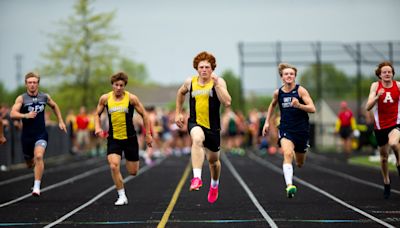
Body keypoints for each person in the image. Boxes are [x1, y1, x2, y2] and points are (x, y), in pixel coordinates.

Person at [175, 51, 231, 204]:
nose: (204, 70)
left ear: (212, 68)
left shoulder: (219, 82)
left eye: (207, 67)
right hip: (195, 122)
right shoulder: (190, 82)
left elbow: (227, 102)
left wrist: (217, 85)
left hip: (213, 127)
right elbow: (180, 93)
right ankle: (197, 178)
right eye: (201, 67)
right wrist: (178, 112)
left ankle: (214, 185)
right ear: (197, 68)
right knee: (197, 140)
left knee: (213, 161)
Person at [94, 71, 152, 206]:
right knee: (114, 166)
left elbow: (145, 115)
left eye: (121, 85)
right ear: (112, 85)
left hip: (130, 139)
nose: (118, 88)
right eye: (116, 85)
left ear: (124, 86)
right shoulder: (105, 98)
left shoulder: (131, 98)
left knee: (133, 172)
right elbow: (97, 114)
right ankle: (121, 195)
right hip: (114, 139)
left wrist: (148, 134)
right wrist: (97, 127)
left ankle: (128, 163)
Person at [262, 63, 316, 198]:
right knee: (287, 153)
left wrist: (299, 105)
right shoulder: (278, 92)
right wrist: (267, 122)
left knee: (299, 163)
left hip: (301, 130)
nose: (289, 76)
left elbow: (312, 108)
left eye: (291, 74)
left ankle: (303, 149)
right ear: (282, 77)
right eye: (286, 74)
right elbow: (272, 105)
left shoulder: (300, 91)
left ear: (295, 76)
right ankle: (289, 185)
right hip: (286, 128)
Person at [10, 72, 67, 196]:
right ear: (26, 84)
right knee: (30, 163)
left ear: (38, 84)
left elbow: (54, 106)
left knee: (39, 156)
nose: (32, 85)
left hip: (41, 134)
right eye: (29, 82)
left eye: (34, 82)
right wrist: (25, 115)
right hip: (26, 136)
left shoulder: (44, 97)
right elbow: (12, 113)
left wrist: (61, 121)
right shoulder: (22, 98)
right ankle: (32, 164)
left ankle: (36, 187)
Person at [365, 61, 400, 199]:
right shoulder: (375, 86)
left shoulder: (398, 85)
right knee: (384, 158)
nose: (387, 74)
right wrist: (377, 97)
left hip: (396, 123)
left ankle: (398, 162)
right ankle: (386, 182)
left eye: (389, 72)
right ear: (379, 74)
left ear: (392, 73)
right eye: (384, 72)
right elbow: (368, 107)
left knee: (393, 143)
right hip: (380, 127)